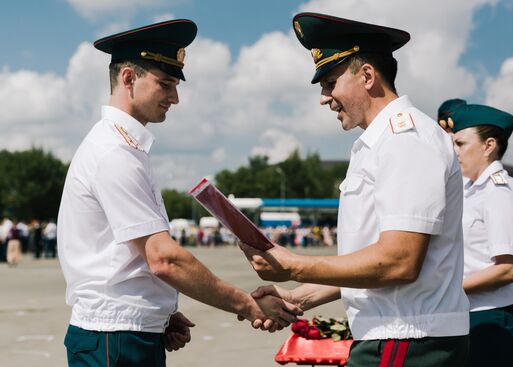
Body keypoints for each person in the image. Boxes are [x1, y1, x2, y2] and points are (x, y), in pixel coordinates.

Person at [57, 20, 301, 367]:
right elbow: (163, 258)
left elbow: (129, 256)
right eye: (166, 84)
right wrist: (247, 304)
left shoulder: (123, 147)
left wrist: (161, 313)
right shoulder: (114, 152)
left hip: (127, 334)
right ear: (128, 78)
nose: (175, 97)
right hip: (114, 340)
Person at [240, 13, 470, 366]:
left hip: (407, 339)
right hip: (394, 335)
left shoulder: (404, 139)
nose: (324, 98)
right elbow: (368, 262)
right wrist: (297, 298)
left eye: (330, 82)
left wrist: (295, 265)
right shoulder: (378, 142)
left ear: (367, 76)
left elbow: (399, 261)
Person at [450, 103, 513, 366]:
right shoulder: (474, 189)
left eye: (461, 143)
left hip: (495, 317)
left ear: (488, 146)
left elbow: (509, 269)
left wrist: (449, 289)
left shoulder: (498, 192)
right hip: (474, 311)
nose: (455, 151)